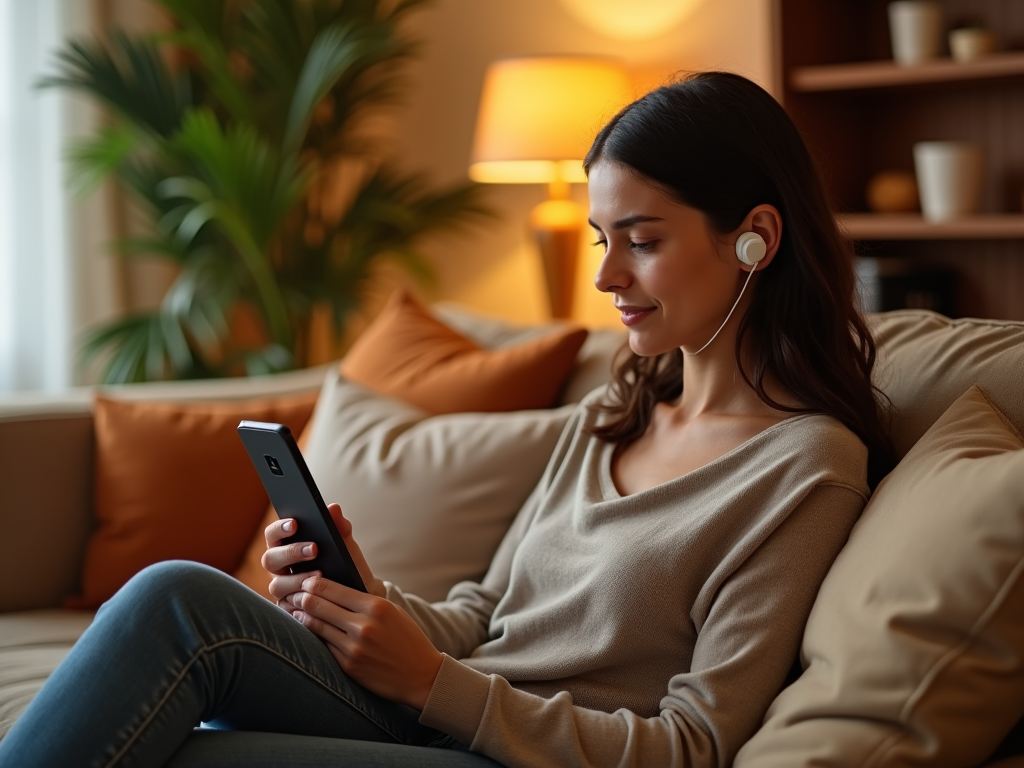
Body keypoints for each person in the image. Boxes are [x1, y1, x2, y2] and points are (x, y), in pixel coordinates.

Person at [0, 71, 894, 767]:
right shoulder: (618, 412)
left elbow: (694, 746)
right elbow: (485, 613)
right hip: (442, 712)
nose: (606, 277)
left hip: (509, 752)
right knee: (179, 603)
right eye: (601, 239)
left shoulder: (806, 468)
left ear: (756, 239)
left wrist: (435, 686)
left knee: (177, 689)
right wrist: (362, 604)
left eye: (644, 240)